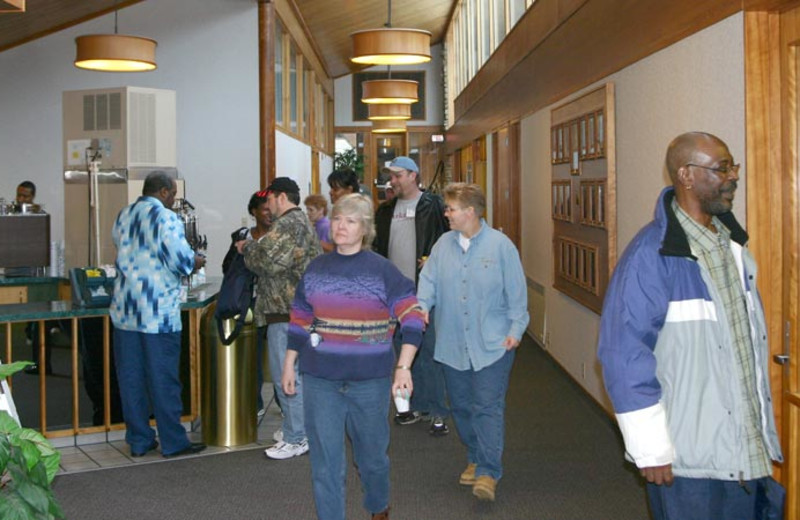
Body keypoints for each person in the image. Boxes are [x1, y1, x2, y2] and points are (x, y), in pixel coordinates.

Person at [597, 132, 784, 520]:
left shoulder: (732, 247)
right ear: (686, 175)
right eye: (722, 168)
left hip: (743, 449)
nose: (733, 176)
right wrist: (649, 447)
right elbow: (622, 354)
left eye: (733, 166)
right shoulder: (651, 256)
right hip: (689, 459)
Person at [283, 193, 424, 520]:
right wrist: (290, 361)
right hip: (320, 381)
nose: (340, 226)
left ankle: (378, 506)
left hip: (368, 382)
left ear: (365, 228)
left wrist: (404, 367)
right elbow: (301, 316)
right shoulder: (316, 269)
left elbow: (414, 316)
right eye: (336, 219)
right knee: (325, 463)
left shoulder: (382, 271)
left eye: (350, 220)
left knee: (371, 459)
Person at [416, 183, 529, 502]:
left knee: (487, 407)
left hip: (494, 344)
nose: (446, 213)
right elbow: (428, 283)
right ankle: (476, 456)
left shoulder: (501, 246)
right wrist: (421, 307)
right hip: (452, 343)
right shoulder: (442, 245)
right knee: (462, 407)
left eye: (451, 208)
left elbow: (517, 295)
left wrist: (516, 330)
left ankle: (488, 471)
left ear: (471, 212)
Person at [110, 171, 207, 458]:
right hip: (157, 313)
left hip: (125, 311)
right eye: (173, 193)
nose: (174, 198)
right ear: (164, 192)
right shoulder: (166, 217)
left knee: (131, 379)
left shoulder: (123, 215)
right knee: (163, 378)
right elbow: (180, 259)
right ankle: (174, 442)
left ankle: (139, 440)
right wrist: (195, 260)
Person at [237, 177, 322, 460]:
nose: (267, 205)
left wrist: (247, 248)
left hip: (286, 311)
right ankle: (295, 429)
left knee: (287, 375)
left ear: (281, 197)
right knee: (295, 374)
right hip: (295, 309)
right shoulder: (299, 223)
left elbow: (268, 262)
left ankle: (297, 436)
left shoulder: (288, 224)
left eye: (270, 199)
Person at [374, 156, 450, 435]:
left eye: (397, 175)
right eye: (390, 176)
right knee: (403, 352)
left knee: (428, 353)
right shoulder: (384, 211)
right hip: (393, 295)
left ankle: (438, 411)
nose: (392, 181)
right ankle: (412, 407)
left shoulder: (434, 206)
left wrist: (434, 261)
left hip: (423, 294)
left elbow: (449, 242)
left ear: (413, 175)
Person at [223, 190, 273, 416]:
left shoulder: (279, 236)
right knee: (253, 354)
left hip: (275, 304)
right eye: (264, 209)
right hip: (249, 304)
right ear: (254, 212)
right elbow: (228, 266)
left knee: (280, 355)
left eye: (272, 209)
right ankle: (256, 402)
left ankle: (285, 403)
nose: (269, 214)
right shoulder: (242, 236)